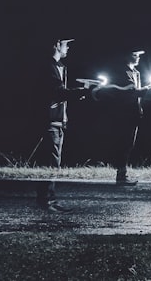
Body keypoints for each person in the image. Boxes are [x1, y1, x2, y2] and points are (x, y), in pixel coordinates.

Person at [35, 38, 91, 212]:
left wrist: (76, 94)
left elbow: (61, 93)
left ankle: (49, 199)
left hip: (58, 120)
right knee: (51, 161)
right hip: (50, 120)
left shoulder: (60, 67)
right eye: (66, 44)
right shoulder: (48, 67)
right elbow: (57, 92)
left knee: (53, 162)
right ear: (57, 44)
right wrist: (81, 92)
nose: (68, 48)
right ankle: (46, 201)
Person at [94, 49, 151, 186]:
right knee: (124, 144)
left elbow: (134, 93)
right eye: (135, 54)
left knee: (128, 144)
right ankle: (121, 176)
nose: (138, 57)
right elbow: (130, 93)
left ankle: (121, 174)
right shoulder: (121, 71)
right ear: (126, 55)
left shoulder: (135, 72)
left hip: (133, 112)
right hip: (123, 113)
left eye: (139, 55)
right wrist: (149, 88)